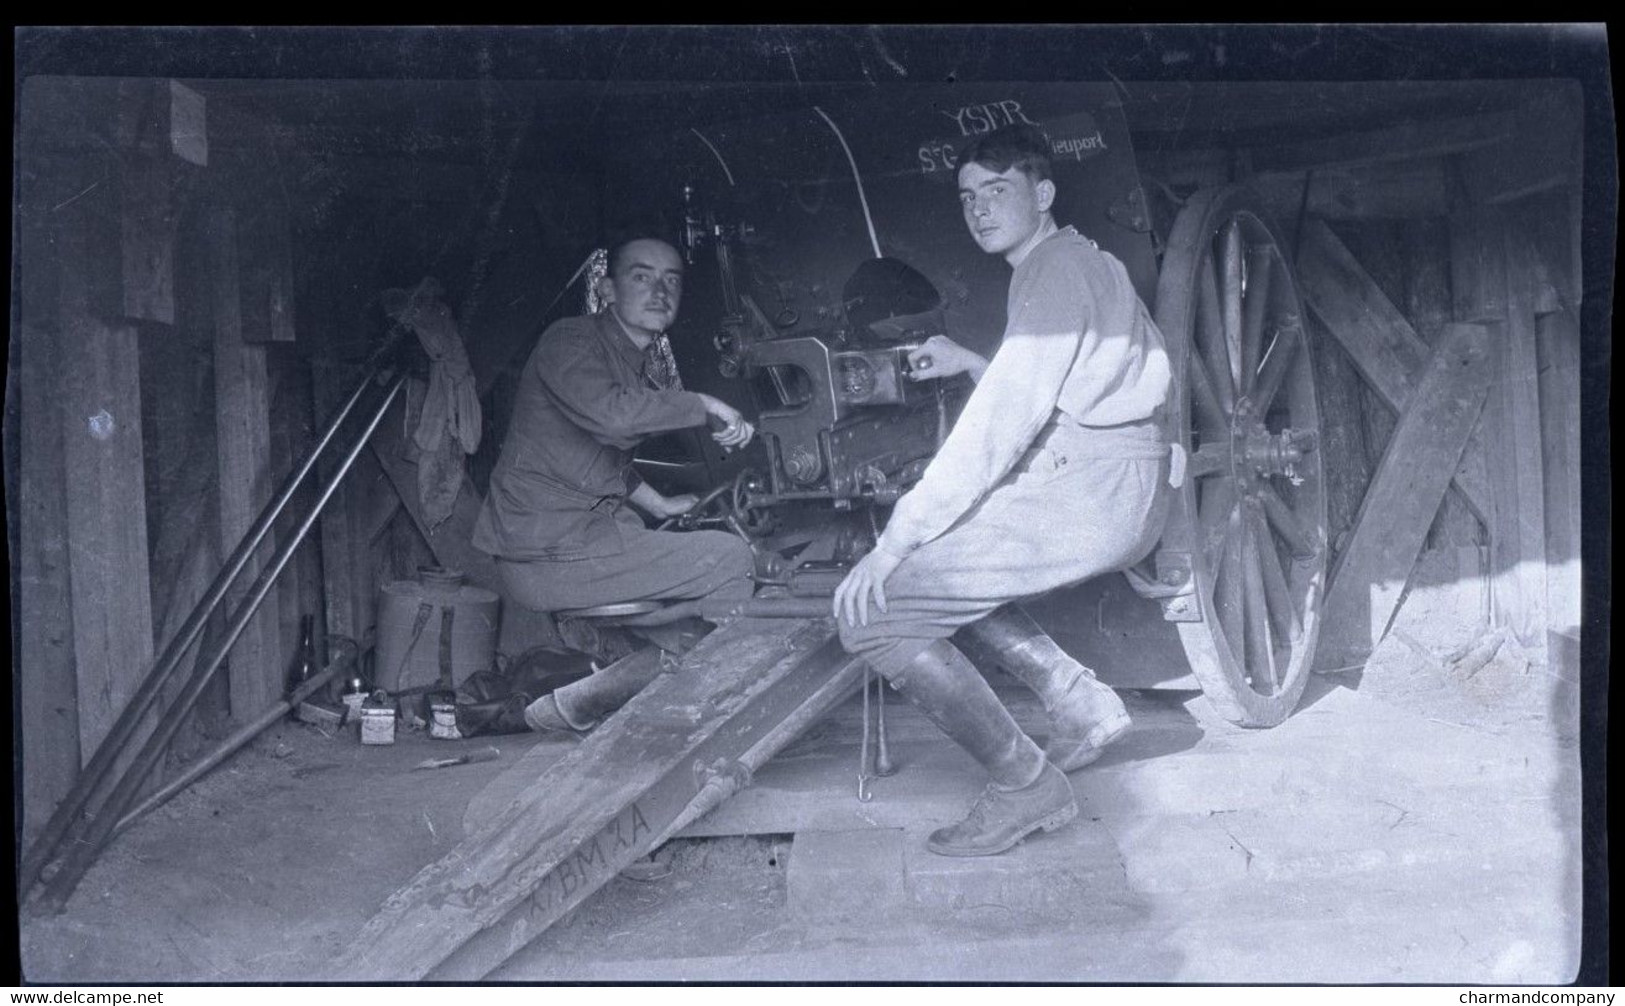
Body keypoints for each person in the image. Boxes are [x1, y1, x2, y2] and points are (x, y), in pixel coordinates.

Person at [833, 123, 1174, 857]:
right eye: (967, 197)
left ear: (1042, 193)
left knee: (876, 616)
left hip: (1094, 493)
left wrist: (895, 537)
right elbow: (1066, 390)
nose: (979, 209)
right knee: (945, 553)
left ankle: (1027, 786)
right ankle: (1077, 703)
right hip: (1113, 477)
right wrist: (967, 360)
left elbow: (999, 428)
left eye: (997, 190)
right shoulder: (1076, 261)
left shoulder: (1052, 272)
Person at [471, 236, 758, 734]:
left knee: (693, 611)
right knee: (731, 560)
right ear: (606, 289)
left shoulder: (623, 359)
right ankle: (718, 720)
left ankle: (576, 705)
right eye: (641, 276)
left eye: (671, 279)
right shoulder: (571, 343)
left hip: (567, 540)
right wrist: (705, 404)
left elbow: (597, 457)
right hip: (546, 550)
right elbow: (613, 420)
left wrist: (661, 502)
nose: (659, 290)